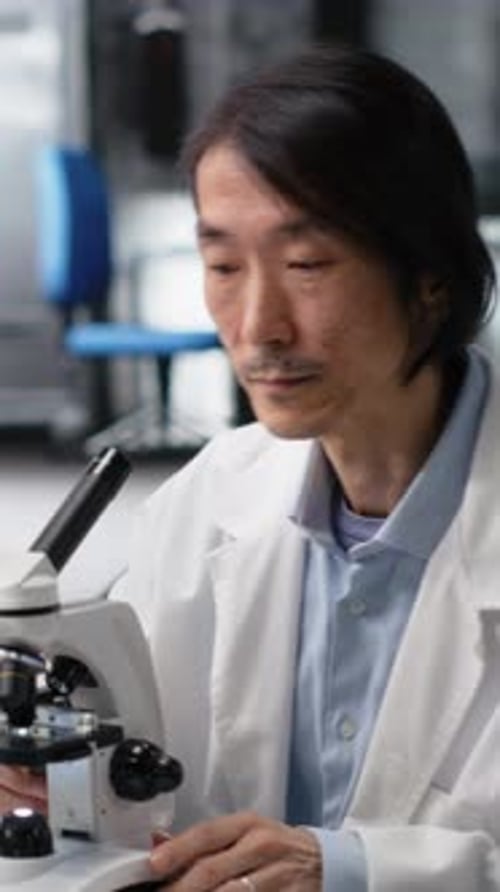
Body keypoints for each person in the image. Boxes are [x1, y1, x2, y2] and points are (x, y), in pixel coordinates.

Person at [2, 43, 500, 891]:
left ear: (430, 277)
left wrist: (353, 869)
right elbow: (144, 775)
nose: (259, 326)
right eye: (224, 266)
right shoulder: (205, 502)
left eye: (307, 266)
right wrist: (61, 779)